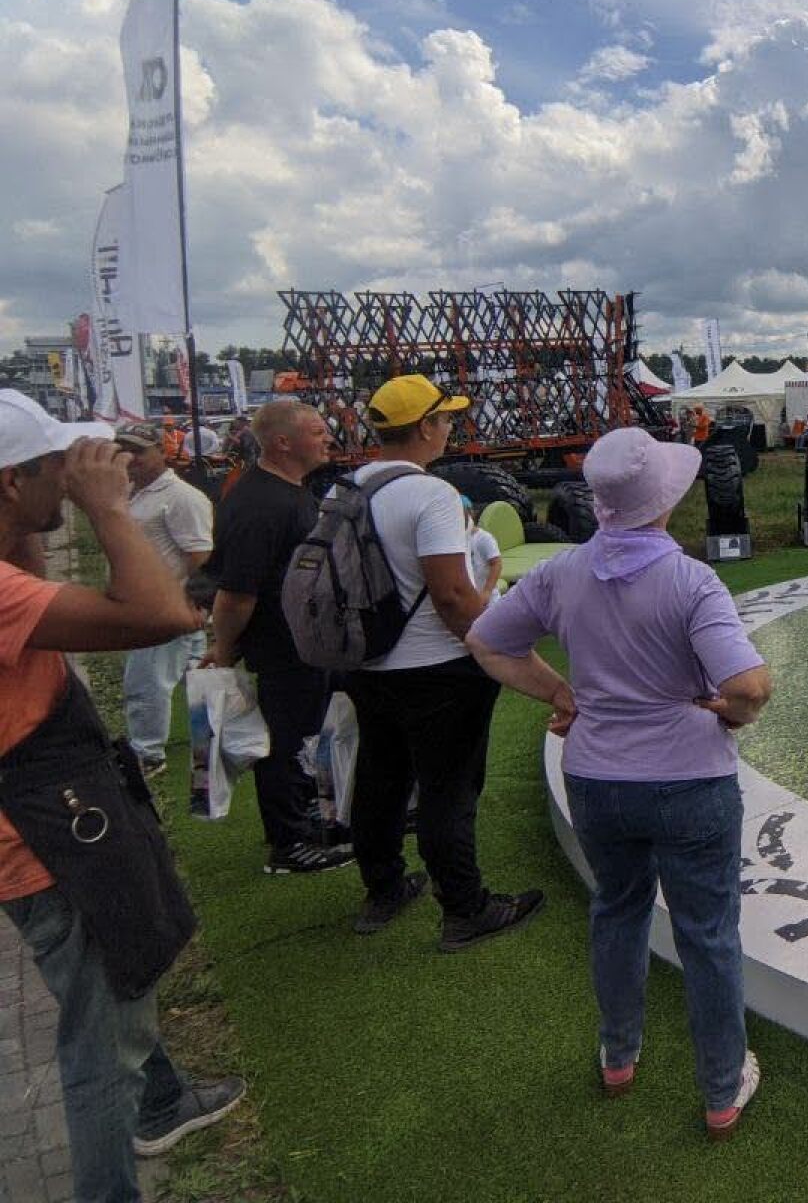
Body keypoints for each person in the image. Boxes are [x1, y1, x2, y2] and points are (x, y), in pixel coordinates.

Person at [468, 426, 770, 1137]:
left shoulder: (561, 572)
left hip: (596, 778)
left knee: (618, 910)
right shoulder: (691, 580)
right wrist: (728, 715)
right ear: (665, 498)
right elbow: (750, 686)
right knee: (708, 934)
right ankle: (721, 1087)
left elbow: (487, 641)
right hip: (690, 781)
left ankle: (618, 1054)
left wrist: (560, 694)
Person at [0, 390, 245, 1198]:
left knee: (118, 973)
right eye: (55, 465)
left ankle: (164, 1100)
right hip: (46, 838)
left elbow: (33, 577)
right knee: (101, 1044)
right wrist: (107, 508)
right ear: (11, 480)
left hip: (49, 813)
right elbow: (162, 612)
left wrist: (34, 511)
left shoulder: (10, 574)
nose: (74, 474)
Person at [342, 375, 542, 949]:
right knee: (448, 789)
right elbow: (452, 595)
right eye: (446, 418)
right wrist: (492, 647)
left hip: (366, 663)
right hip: (438, 670)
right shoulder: (432, 495)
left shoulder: (347, 488)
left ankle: (383, 889)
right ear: (426, 427)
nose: (451, 427)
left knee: (380, 778)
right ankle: (464, 908)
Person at [203, 400, 354, 874]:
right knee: (284, 743)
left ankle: (309, 819)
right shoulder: (261, 503)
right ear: (283, 442)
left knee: (308, 735)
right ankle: (288, 844)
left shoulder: (290, 492)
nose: (328, 439)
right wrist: (223, 650)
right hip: (283, 648)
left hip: (306, 644)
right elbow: (235, 593)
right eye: (317, 432)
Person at [115, 422, 212, 777]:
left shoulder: (181, 496)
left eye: (139, 451)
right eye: (124, 450)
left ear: (161, 450)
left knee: (146, 681)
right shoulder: (132, 491)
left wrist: (188, 600)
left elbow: (200, 554)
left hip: (166, 605)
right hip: (149, 602)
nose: (131, 458)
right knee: (198, 674)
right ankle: (218, 737)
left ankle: (147, 753)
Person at [461, 494, 502, 596]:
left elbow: (496, 564)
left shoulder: (483, 538)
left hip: (487, 598)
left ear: (470, 513)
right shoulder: (454, 540)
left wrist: (487, 591)